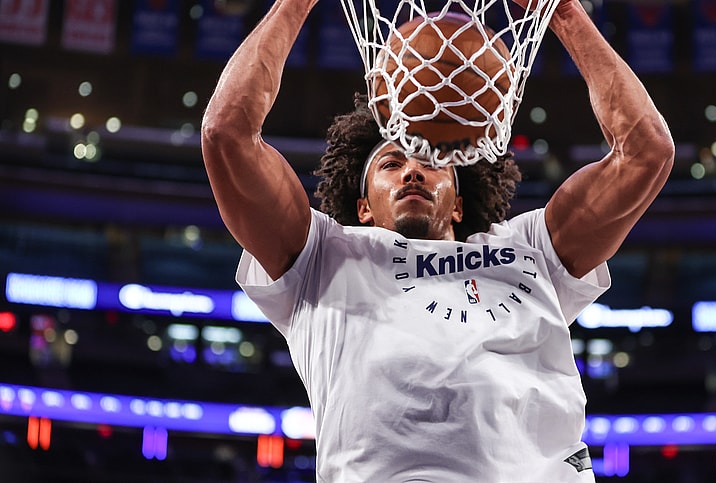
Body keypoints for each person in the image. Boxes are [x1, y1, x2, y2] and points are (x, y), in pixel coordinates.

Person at [201, 0, 674, 480]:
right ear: (363, 206)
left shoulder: (530, 247)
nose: (411, 170)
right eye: (390, 164)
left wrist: (566, 15)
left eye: (430, 163)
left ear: (458, 203)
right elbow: (227, 132)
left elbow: (645, 152)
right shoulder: (323, 257)